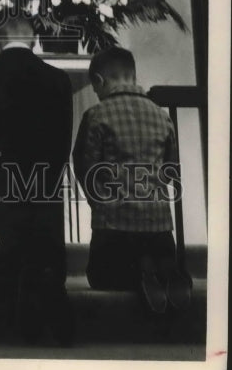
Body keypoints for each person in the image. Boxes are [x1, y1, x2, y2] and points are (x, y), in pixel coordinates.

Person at [0, 11, 74, 344]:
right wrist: (52, 175)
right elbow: (62, 137)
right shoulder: (58, 79)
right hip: (43, 178)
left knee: (2, 240)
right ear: (35, 39)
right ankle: (48, 298)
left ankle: (6, 302)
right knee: (43, 241)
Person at [72, 46, 191, 313]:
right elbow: (171, 170)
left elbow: (85, 167)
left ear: (100, 81)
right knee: (155, 250)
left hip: (115, 228)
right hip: (159, 227)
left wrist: (99, 204)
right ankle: (164, 269)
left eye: (95, 89)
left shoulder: (96, 115)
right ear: (133, 75)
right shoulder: (162, 116)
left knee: (100, 277)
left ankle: (138, 273)